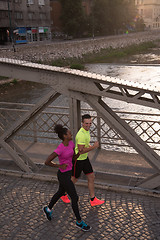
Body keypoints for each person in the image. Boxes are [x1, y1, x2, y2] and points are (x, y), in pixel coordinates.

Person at [43, 124, 91, 231]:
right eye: (69, 133)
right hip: (63, 175)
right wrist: (59, 165)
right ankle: (79, 222)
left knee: (60, 192)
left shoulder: (71, 144)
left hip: (69, 173)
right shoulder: (60, 149)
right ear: (64, 136)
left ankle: (48, 209)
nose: (71, 134)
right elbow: (47, 162)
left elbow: (73, 158)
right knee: (74, 197)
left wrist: (78, 154)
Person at [72, 114, 105, 207]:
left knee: (91, 177)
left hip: (84, 159)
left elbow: (85, 146)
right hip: (78, 160)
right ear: (82, 123)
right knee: (73, 180)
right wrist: (94, 147)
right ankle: (62, 193)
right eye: (86, 123)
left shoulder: (86, 131)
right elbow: (81, 151)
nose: (88, 125)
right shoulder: (81, 134)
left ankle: (93, 199)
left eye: (90, 123)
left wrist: (90, 146)